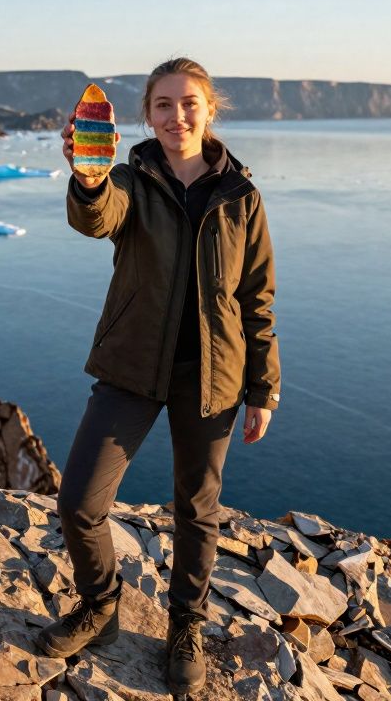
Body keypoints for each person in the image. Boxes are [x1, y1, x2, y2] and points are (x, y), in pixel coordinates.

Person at [33, 58, 281, 695]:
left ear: (209, 109)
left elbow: (256, 300)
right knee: (80, 502)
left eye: (189, 102)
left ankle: (186, 625)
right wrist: (87, 178)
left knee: (197, 510)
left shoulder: (241, 197)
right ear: (147, 115)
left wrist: (264, 389)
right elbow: (97, 218)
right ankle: (100, 606)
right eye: (164, 104)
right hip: (131, 366)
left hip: (213, 377)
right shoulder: (129, 180)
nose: (177, 116)